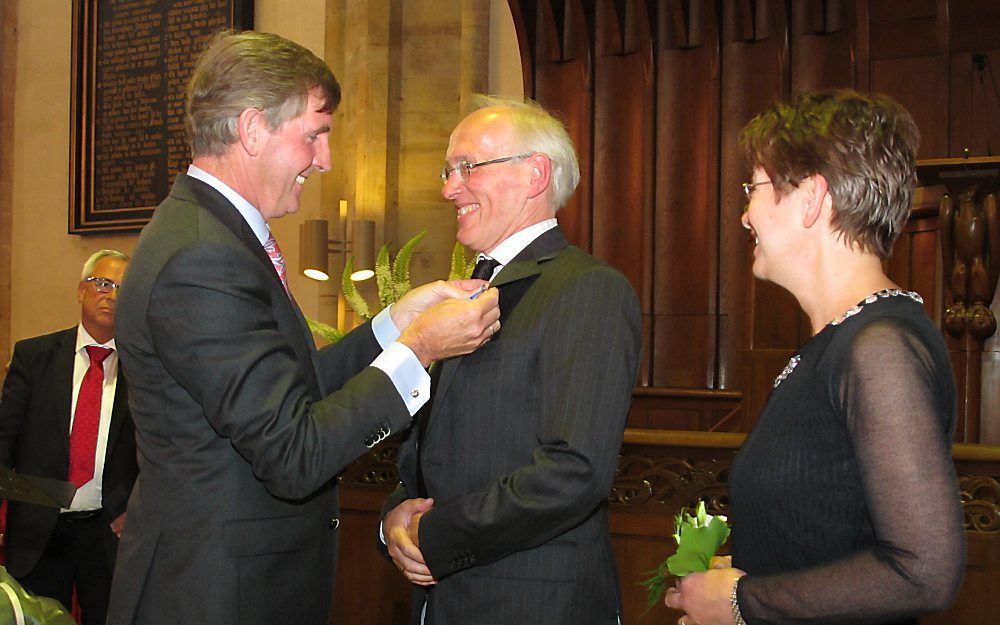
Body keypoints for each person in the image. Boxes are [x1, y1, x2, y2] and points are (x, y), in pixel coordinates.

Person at [106, 31, 500, 625]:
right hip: (214, 593)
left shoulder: (213, 235)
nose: (324, 161)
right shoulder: (201, 257)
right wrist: (417, 351)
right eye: (314, 135)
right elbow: (292, 452)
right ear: (252, 128)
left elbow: (291, 390)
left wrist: (393, 325)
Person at [665, 90, 965, 625]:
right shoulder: (840, 343)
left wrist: (743, 602)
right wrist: (751, 572)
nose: (744, 215)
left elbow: (925, 572)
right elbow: (834, 529)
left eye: (753, 188)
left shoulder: (879, 349)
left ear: (811, 197)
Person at [380, 96, 642, 624]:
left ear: (534, 174)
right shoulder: (469, 292)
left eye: (467, 168)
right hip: (447, 600)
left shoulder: (586, 289)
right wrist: (394, 519)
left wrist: (436, 535)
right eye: (448, 170)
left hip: (533, 602)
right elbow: (440, 448)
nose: (448, 188)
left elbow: (575, 469)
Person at [0, 249, 136, 625]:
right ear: (81, 291)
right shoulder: (35, 356)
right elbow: (5, 438)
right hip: (39, 530)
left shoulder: (144, 368)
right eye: (103, 284)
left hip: (109, 533)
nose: (111, 296)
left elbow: (162, 450)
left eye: (123, 289)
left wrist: (139, 506)